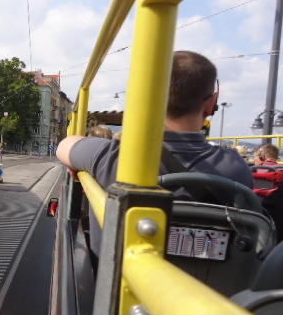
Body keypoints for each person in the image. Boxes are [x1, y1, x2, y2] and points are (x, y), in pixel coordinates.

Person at [56, 50, 253, 254]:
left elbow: (65, 146)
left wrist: (80, 163)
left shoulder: (113, 157)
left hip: (113, 274)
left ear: (147, 98)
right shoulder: (236, 169)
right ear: (212, 103)